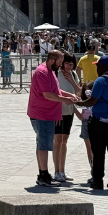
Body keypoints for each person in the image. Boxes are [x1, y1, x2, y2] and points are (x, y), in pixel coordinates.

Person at [27, 49, 79, 187]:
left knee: (43, 143)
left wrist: (69, 95)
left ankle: (43, 174)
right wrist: (65, 100)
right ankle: (43, 175)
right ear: (52, 60)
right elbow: (48, 95)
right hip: (41, 113)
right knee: (43, 145)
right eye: (60, 62)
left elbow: (56, 91)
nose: (61, 65)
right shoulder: (42, 72)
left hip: (48, 113)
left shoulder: (51, 71)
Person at [74, 55, 108, 190]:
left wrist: (77, 102)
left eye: (98, 66)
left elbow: (92, 101)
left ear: (103, 67)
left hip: (100, 122)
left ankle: (97, 181)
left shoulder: (100, 81)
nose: (96, 68)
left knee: (98, 152)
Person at [53, 52, 80, 183]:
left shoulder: (73, 74)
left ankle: (62, 170)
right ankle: (56, 170)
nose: (69, 66)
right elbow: (55, 95)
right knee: (57, 140)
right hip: (58, 112)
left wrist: (72, 80)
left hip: (69, 112)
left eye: (71, 64)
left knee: (65, 140)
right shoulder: (55, 75)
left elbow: (78, 92)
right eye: (67, 63)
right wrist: (56, 112)